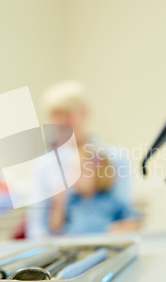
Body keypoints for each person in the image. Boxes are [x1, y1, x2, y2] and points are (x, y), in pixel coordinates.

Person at [26, 81, 140, 238]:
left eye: (67, 113)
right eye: (55, 114)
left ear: (84, 113)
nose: (61, 120)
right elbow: (38, 227)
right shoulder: (44, 164)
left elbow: (126, 213)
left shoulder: (115, 156)